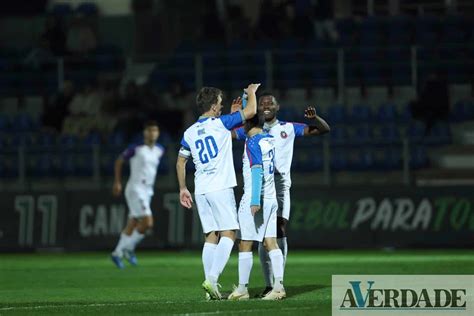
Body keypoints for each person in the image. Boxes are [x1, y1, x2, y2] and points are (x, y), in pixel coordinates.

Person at [232, 92, 330, 297]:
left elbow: (324, 129)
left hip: (279, 184)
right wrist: (235, 115)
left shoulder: (288, 128)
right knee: (263, 237)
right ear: (257, 108)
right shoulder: (252, 130)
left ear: (278, 107)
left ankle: (278, 280)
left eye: (270, 103)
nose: (266, 105)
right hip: (262, 185)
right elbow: (228, 135)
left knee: (278, 230)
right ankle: (271, 283)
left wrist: (314, 119)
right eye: (262, 103)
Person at [176, 84, 260, 300]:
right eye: (220, 104)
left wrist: (183, 188)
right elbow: (251, 112)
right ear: (213, 107)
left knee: (211, 237)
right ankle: (212, 280)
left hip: (201, 189)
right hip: (220, 186)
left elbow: (180, 162)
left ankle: (210, 290)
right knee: (230, 234)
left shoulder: (190, 132)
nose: (221, 107)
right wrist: (250, 94)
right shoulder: (221, 123)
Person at [228, 108, 286, 301]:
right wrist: (245, 103)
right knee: (270, 242)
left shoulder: (252, 142)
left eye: (244, 120)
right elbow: (250, 123)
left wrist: (254, 201)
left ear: (248, 124)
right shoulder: (267, 138)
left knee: (245, 243)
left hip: (256, 199)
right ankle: (278, 287)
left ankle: (243, 289)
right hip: (271, 198)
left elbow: (256, 170)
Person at [111, 121, 165, 269]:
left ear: (158, 133)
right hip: (136, 188)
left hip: (148, 191)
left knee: (133, 223)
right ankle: (126, 249)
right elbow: (119, 161)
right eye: (149, 130)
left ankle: (117, 252)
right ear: (145, 133)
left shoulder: (160, 150)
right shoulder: (136, 149)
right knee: (148, 222)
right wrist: (117, 182)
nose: (152, 133)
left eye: (155, 130)